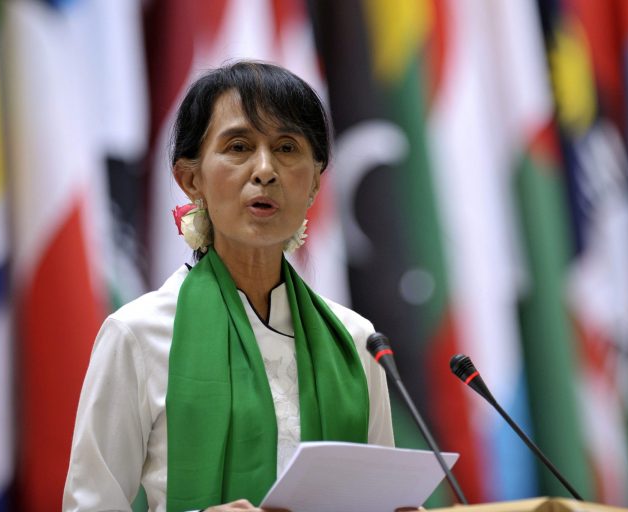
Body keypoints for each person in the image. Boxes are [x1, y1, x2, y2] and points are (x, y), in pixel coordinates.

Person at [63, 61, 394, 512]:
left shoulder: (357, 341)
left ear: (315, 182)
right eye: (239, 146)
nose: (265, 170)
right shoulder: (138, 335)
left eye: (286, 148)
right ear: (191, 179)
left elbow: (378, 495)